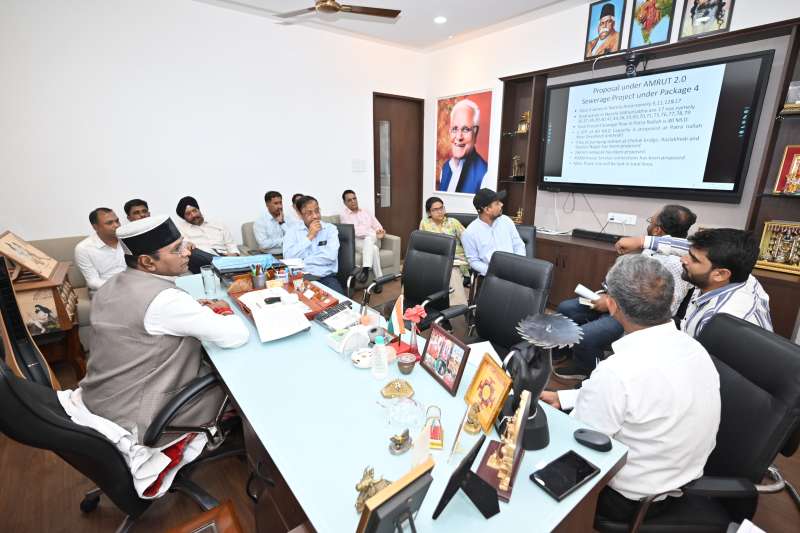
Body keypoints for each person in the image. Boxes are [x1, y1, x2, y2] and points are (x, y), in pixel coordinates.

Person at [541, 254, 720, 523]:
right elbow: (643, 399)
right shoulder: (695, 349)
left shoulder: (617, 372)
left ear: (612, 305)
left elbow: (580, 444)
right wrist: (564, 398)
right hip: (682, 480)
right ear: (670, 299)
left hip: (629, 501)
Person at [80, 215, 249, 444]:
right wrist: (224, 310)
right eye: (177, 249)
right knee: (242, 382)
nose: (187, 252)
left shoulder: (111, 285)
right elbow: (236, 336)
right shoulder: (166, 300)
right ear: (148, 262)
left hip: (106, 399)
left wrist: (192, 309)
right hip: (142, 413)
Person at [554, 205, 696, 380]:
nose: (648, 225)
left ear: (658, 230)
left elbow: (663, 307)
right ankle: (567, 352)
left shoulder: (676, 263)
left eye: (650, 221)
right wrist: (607, 295)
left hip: (634, 316)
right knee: (566, 308)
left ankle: (588, 371)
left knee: (586, 336)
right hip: (616, 300)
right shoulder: (652, 248)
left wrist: (611, 304)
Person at [615, 228, 772, 338]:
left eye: (694, 259)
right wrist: (642, 241)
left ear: (720, 274)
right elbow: (688, 248)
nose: (683, 259)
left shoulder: (720, 322)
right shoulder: (736, 274)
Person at [124, 197, 214, 274]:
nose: (142, 215)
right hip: (154, 272)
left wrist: (185, 244)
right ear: (129, 218)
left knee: (189, 250)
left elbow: (177, 245)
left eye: (144, 211)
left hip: (178, 265)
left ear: (149, 214)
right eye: (136, 213)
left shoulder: (162, 230)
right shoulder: (127, 241)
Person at [283, 196, 344, 294]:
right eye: (309, 213)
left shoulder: (330, 229)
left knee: (340, 301)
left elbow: (330, 256)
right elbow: (288, 258)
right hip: (301, 278)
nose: (315, 216)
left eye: (317, 211)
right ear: (300, 214)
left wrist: (302, 261)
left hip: (326, 278)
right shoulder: (292, 231)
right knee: (300, 301)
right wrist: (309, 237)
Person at [461, 188, 525, 276]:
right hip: (491, 276)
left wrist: (519, 265)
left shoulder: (506, 221)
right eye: (497, 203)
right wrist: (493, 272)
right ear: (487, 209)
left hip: (514, 271)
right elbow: (474, 261)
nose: (502, 204)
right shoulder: (469, 234)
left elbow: (518, 245)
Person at [419, 196, 469, 305]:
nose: (440, 211)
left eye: (441, 208)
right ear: (429, 212)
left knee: (452, 272)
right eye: (435, 209)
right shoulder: (424, 223)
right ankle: (418, 305)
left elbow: (468, 241)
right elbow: (422, 244)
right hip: (434, 260)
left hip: (455, 259)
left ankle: (458, 308)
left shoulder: (453, 222)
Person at [438, 99, 488, 194]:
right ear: (449, 132)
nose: (459, 137)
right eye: (454, 129)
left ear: (475, 133)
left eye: (465, 129)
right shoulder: (446, 168)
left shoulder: (485, 174)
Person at [74, 207, 126, 294]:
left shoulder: (127, 240)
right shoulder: (83, 248)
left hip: (132, 284)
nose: (116, 225)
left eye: (117, 221)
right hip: (104, 289)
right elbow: (93, 281)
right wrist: (120, 287)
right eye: (109, 223)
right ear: (96, 227)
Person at [340, 189, 384, 283]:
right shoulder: (344, 216)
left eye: (354, 198)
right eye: (349, 200)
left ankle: (365, 269)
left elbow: (377, 225)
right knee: (374, 249)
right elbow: (356, 232)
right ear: (345, 203)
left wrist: (379, 231)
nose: (353, 201)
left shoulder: (366, 211)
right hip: (357, 241)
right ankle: (379, 280)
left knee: (368, 238)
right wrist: (371, 232)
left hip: (372, 238)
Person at [174, 196, 238, 256]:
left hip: (224, 257)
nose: (193, 215)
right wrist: (186, 244)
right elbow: (182, 246)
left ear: (198, 209)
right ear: (184, 218)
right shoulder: (182, 229)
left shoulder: (218, 222)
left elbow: (230, 244)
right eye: (188, 214)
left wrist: (234, 254)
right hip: (202, 258)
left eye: (194, 211)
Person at [253, 190, 286, 255]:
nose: (280, 206)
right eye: (276, 203)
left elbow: (293, 236)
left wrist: (282, 223)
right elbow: (263, 244)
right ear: (267, 205)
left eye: (280, 203)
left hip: (289, 254)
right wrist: (284, 240)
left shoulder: (286, 218)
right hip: (271, 256)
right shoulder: (260, 222)